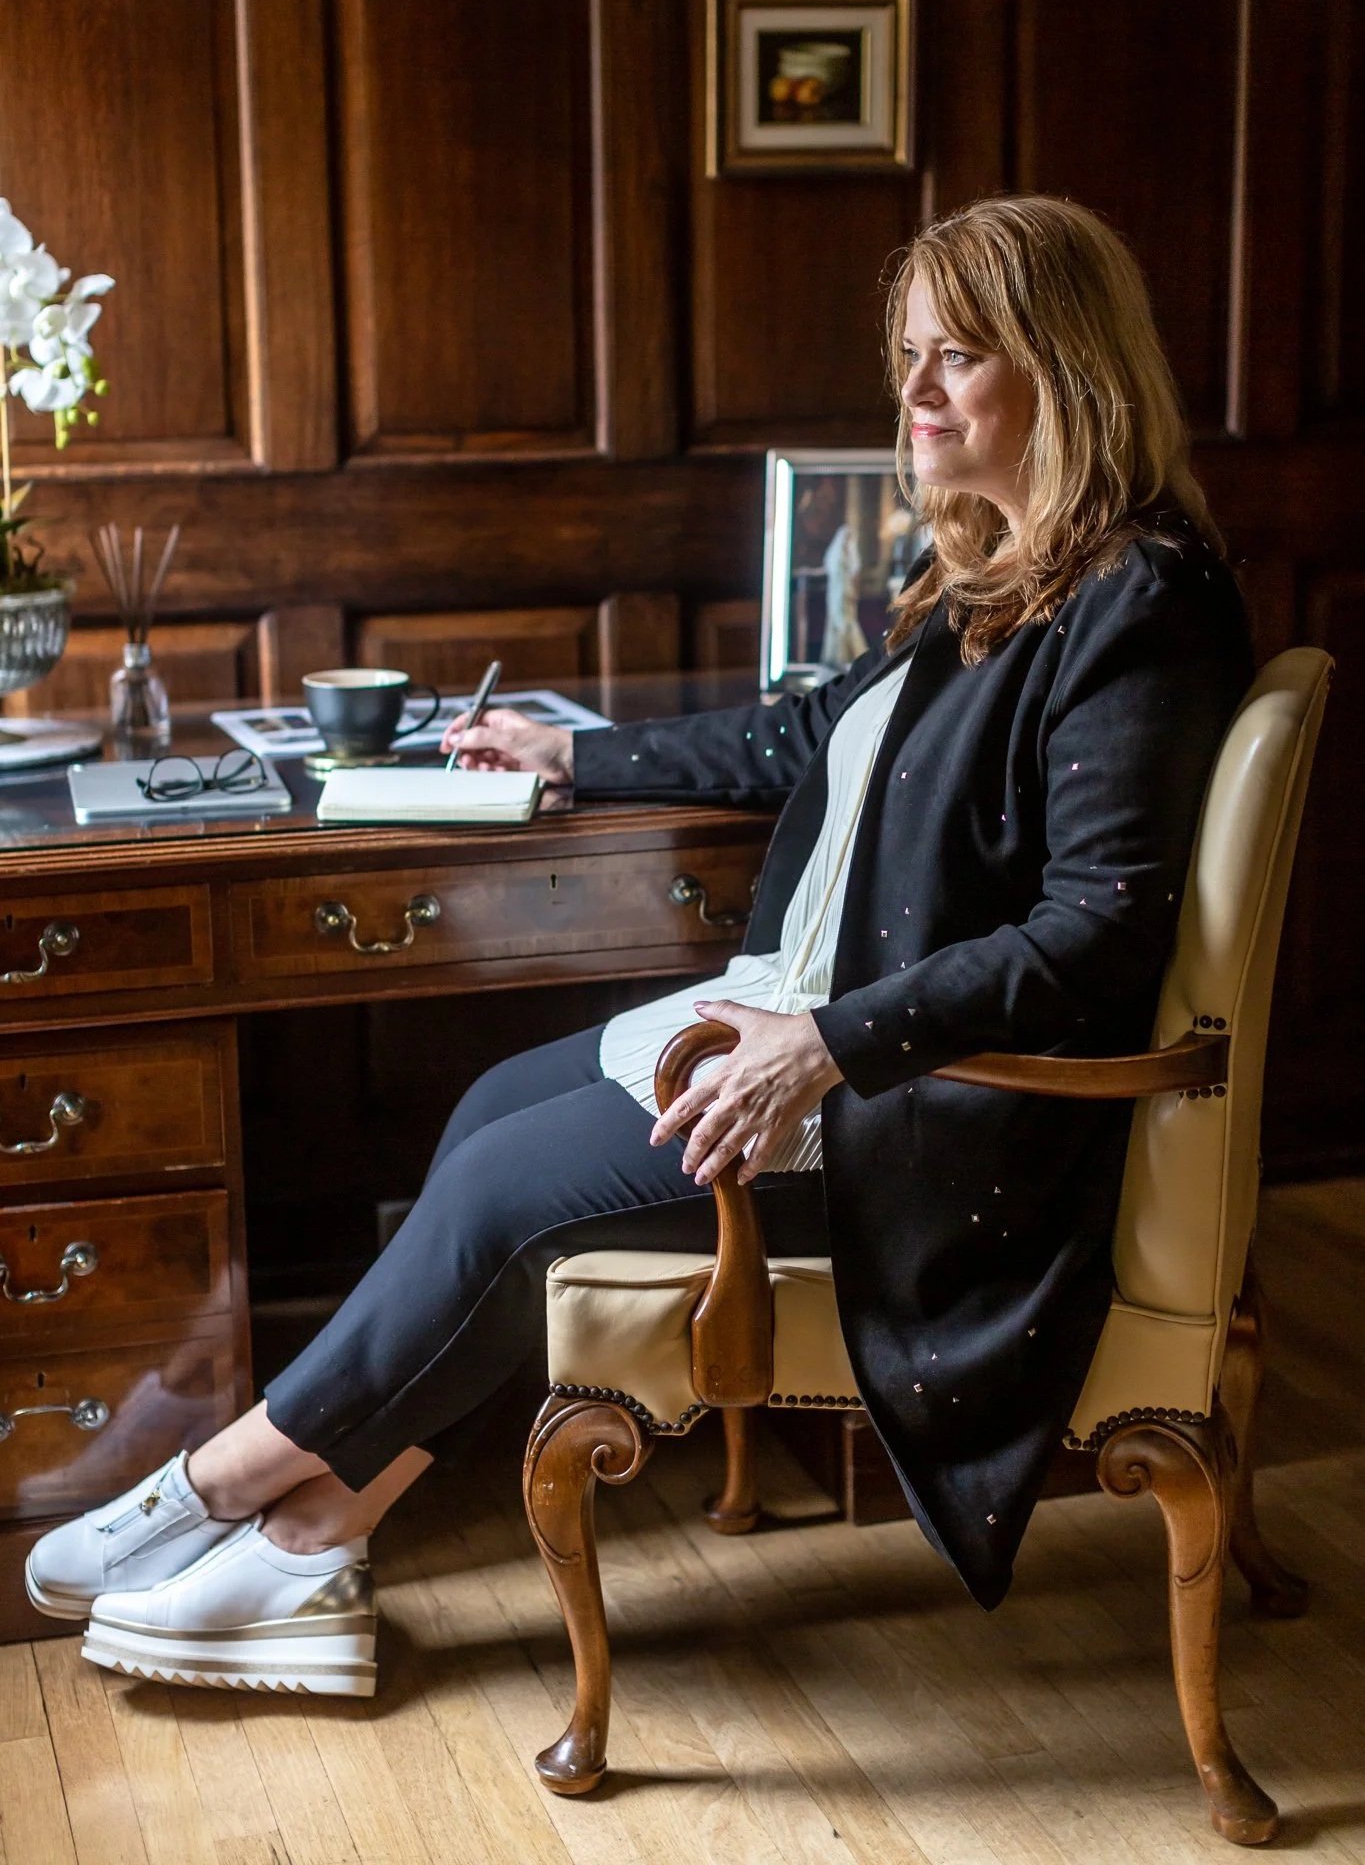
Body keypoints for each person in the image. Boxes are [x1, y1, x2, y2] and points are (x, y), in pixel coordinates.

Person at [27, 194, 1252, 1697]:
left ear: (1065, 372)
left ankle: (208, 1492)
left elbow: (1100, 934)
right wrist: (573, 761)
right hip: (854, 1046)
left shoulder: (1142, 600)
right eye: (910, 356)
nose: (915, 393)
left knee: (497, 1188)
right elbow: (810, 732)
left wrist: (822, 1045)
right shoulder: (1004, 578)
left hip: (941, 1114)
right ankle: (312, 1544)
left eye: (959, 357)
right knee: (489, 1115)